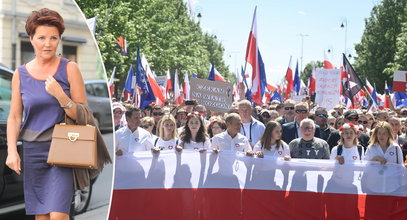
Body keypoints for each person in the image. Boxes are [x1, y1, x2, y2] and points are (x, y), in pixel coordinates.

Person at [6, 8, 87, 219]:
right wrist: (12, 151)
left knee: (58, 215)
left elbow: (83, 115)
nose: (48, 43)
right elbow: (15, 117)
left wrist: (61, 97)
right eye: (41, 37)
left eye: (54, 38)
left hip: (63, 149)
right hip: (33, 151)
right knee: (41, 217)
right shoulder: (20, 74)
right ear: (31, 39)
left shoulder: (70, 69)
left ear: (59, 39)